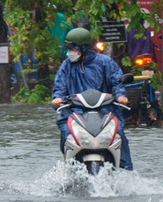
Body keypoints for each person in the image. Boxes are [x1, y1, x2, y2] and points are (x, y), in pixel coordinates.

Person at [51, 27, 132, 170]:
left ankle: (125, 172)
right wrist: (57, 98)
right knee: (66, 133)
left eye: (73, 48)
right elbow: (59, 86)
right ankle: (68, 169)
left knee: (118, 133)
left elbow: (116, 81)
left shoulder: (105, 62)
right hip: (74, 112)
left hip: (105, 112)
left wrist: (120, 96)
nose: (70, 52)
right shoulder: (66, 66)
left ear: (83, 48)